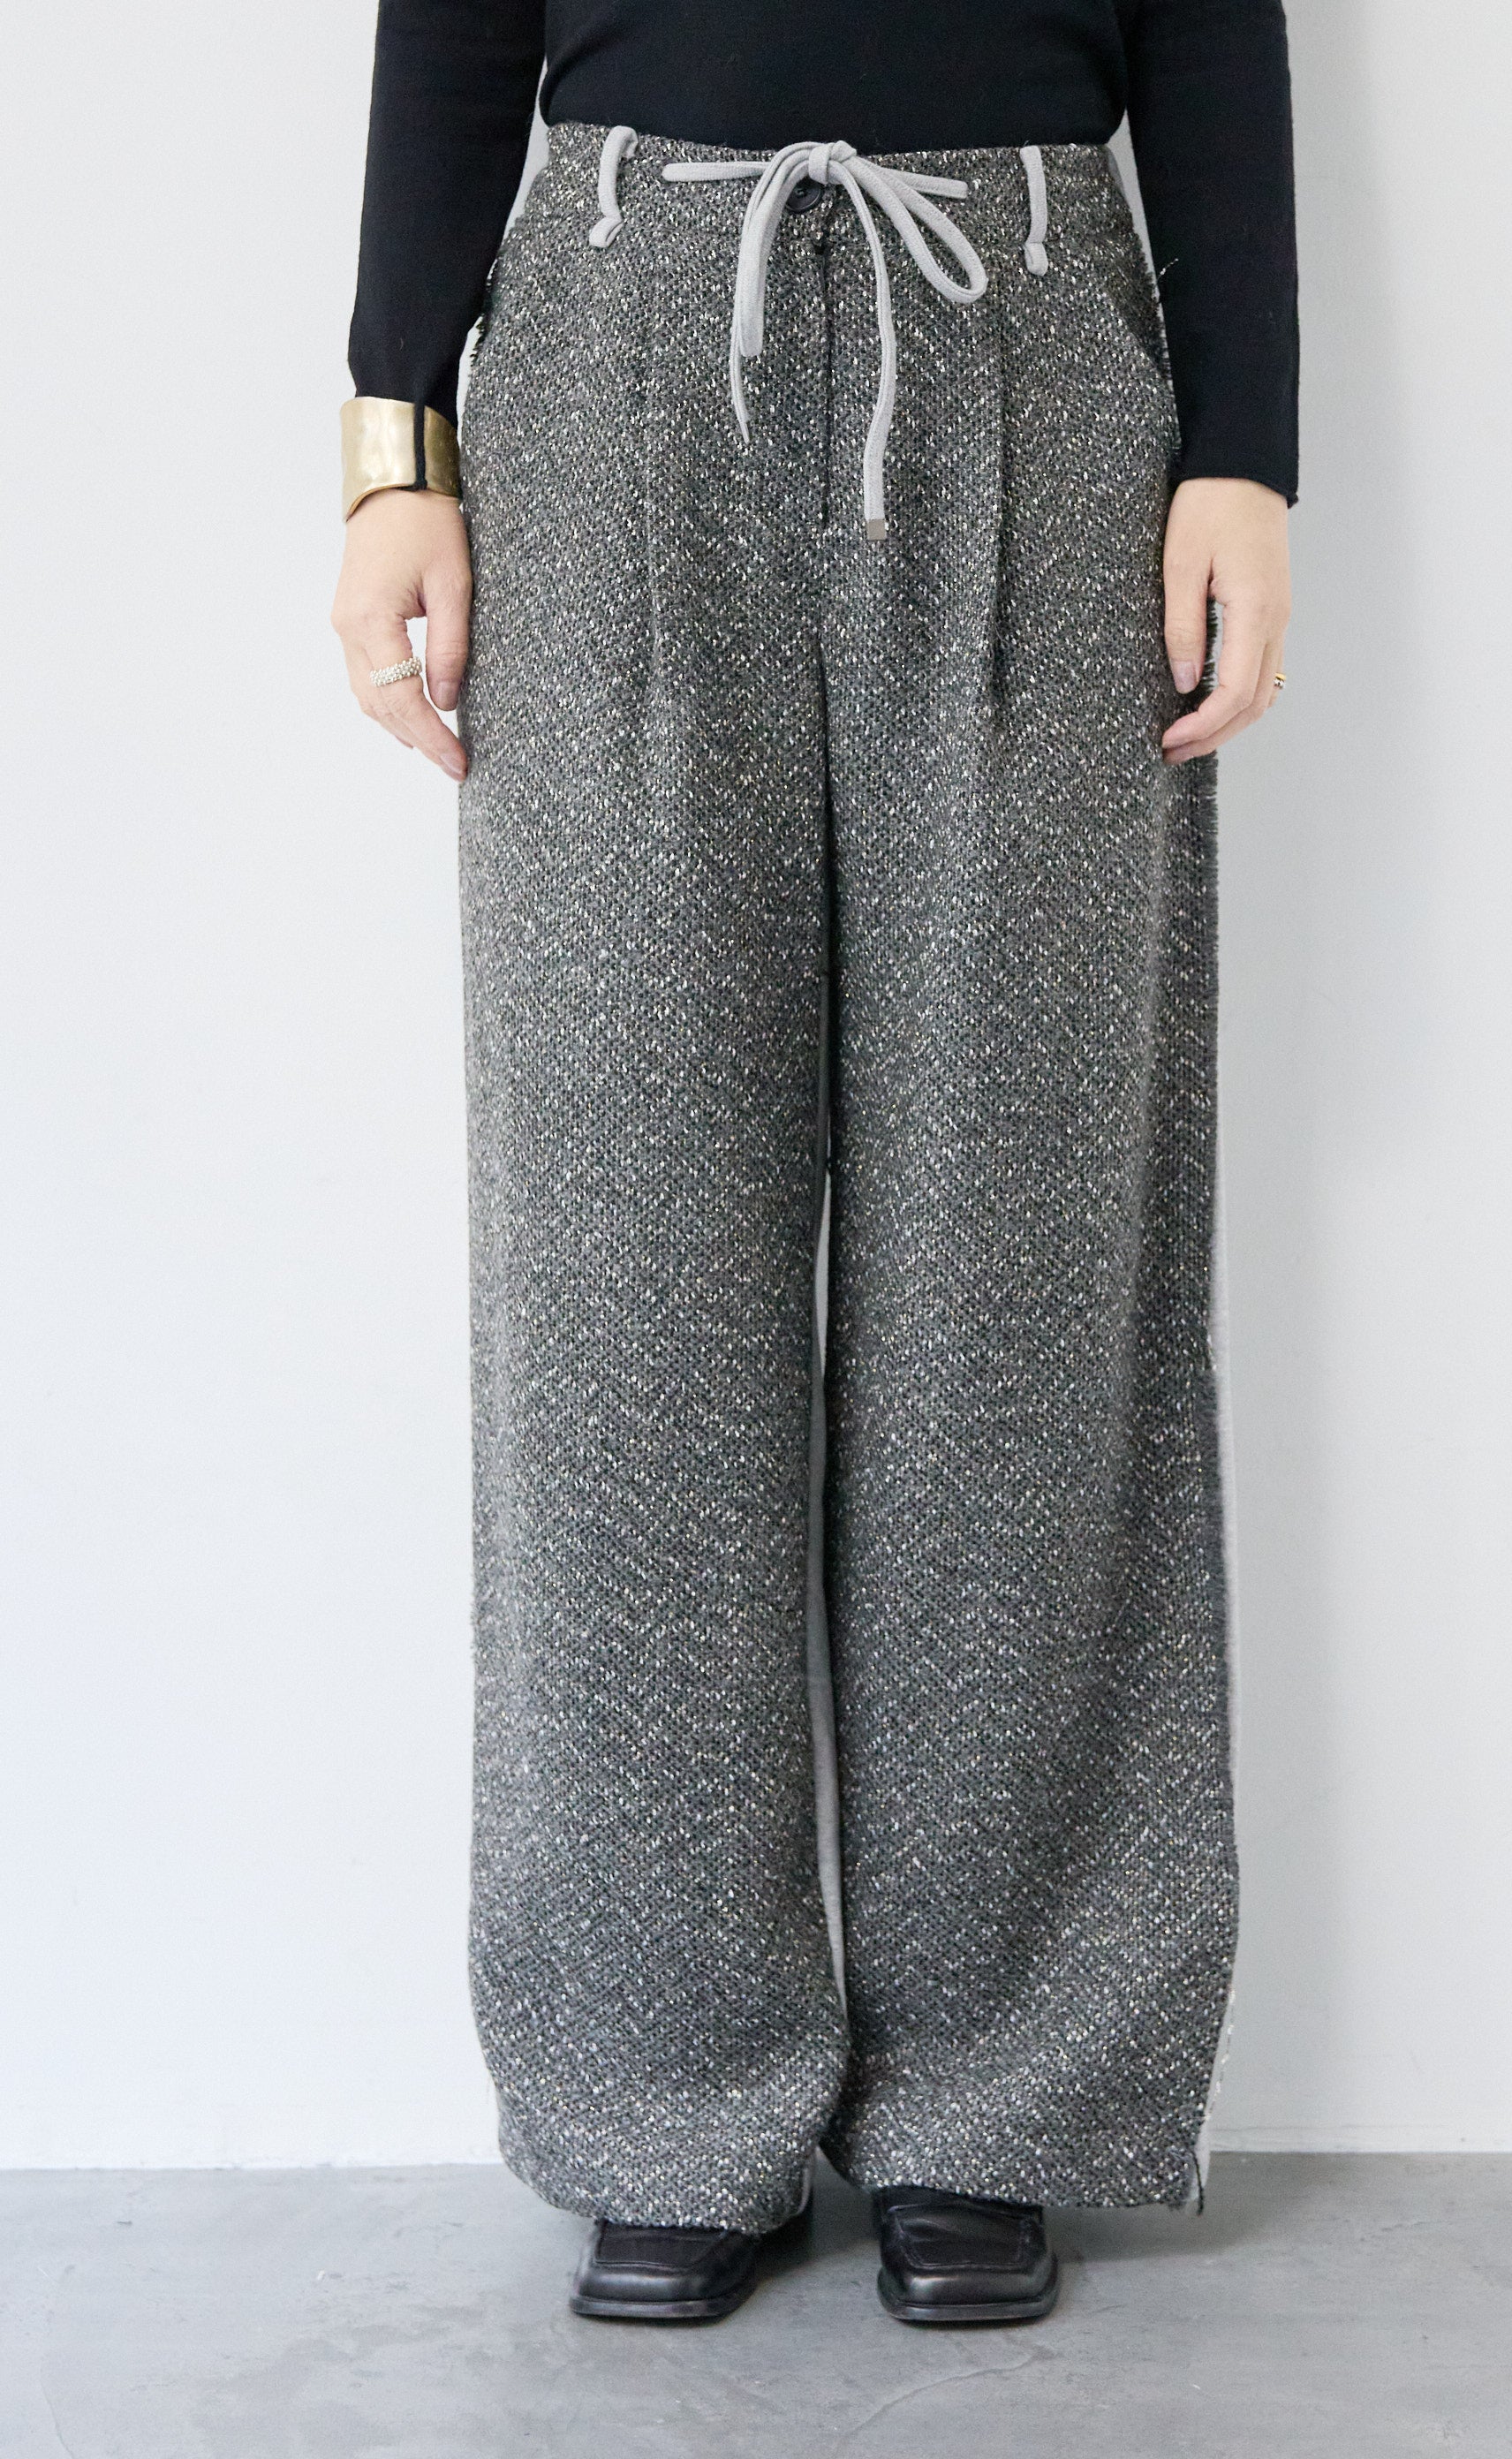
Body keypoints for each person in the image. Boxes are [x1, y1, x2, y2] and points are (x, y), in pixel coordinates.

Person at [332, 0, 1297, 2329]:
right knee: (622, 1262)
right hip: (613, 340)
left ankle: (1003, 2093)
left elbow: (1209, 19)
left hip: (1036, 320)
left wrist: (1248, 446)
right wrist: (391, 440)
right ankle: (665, 2091)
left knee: (1023, 1256)